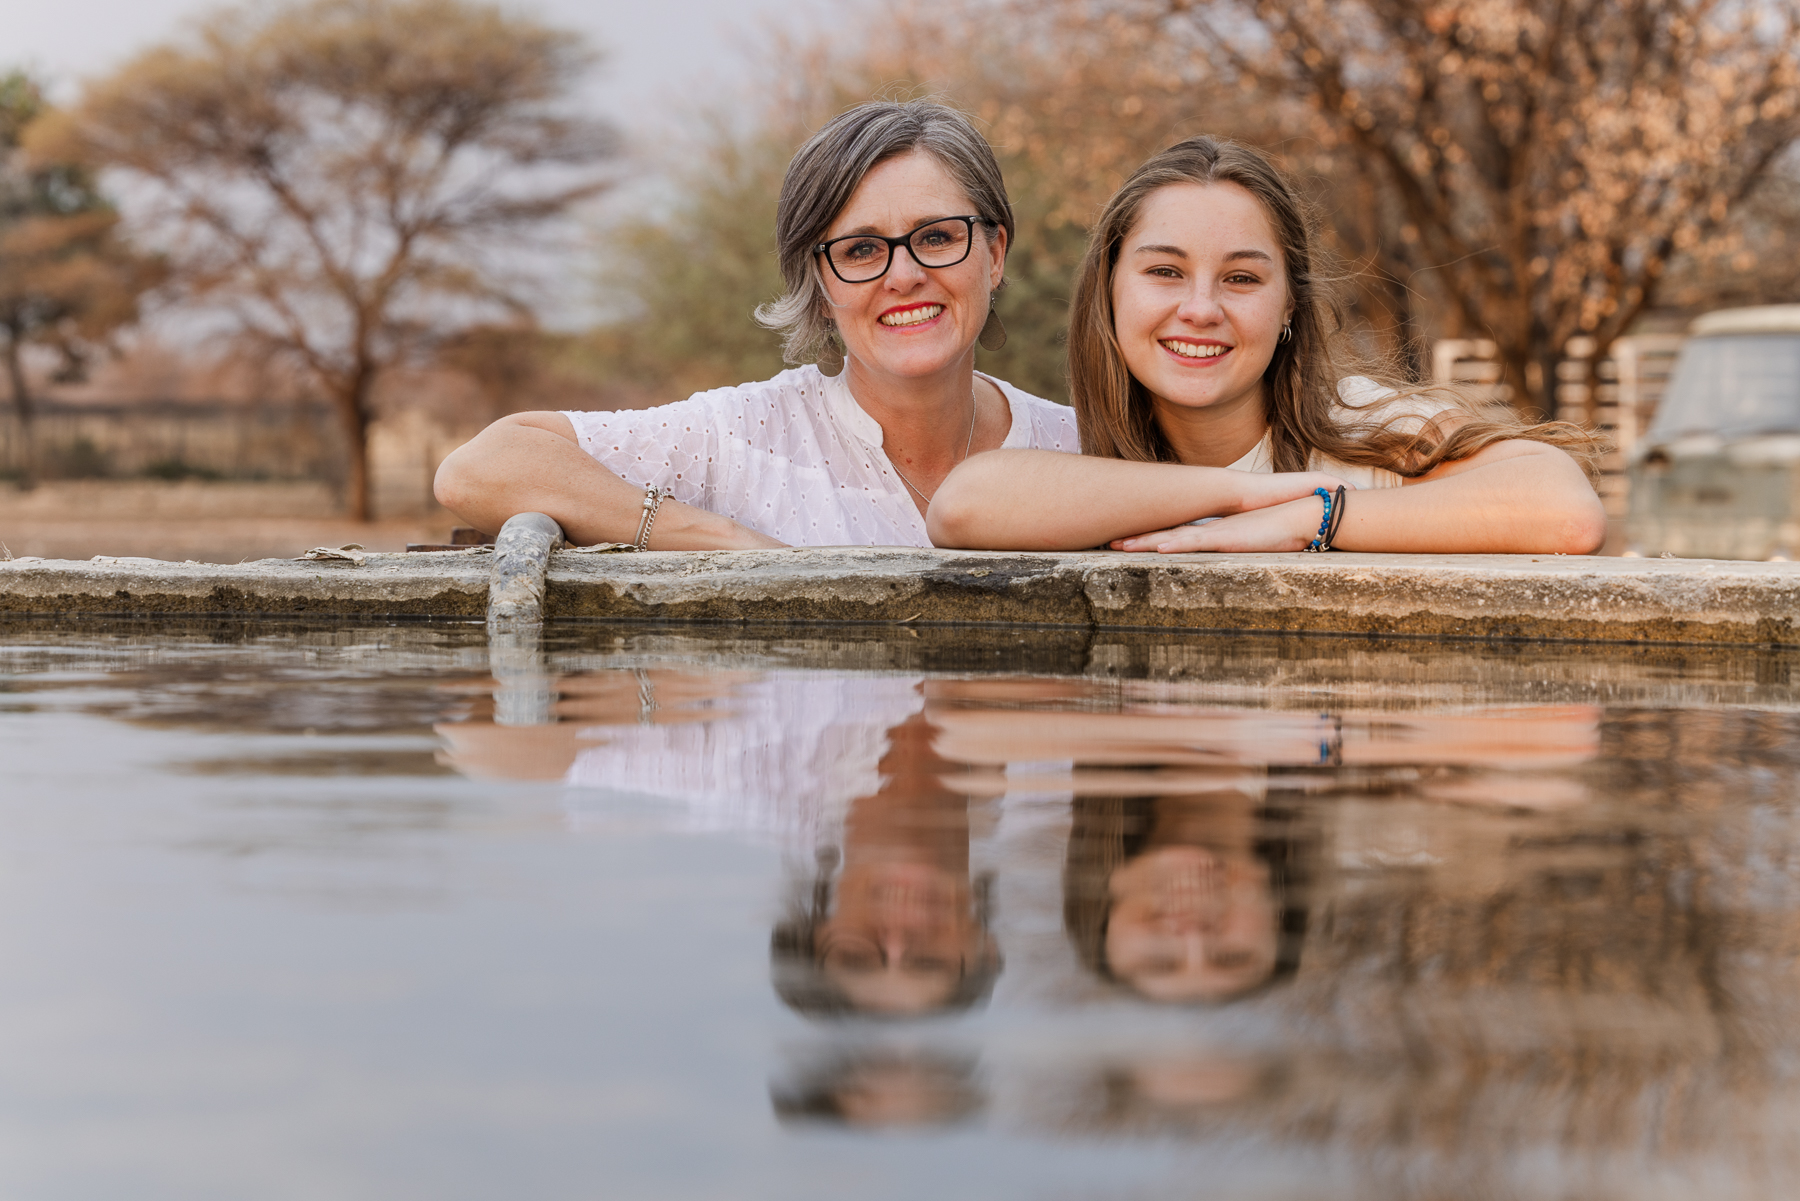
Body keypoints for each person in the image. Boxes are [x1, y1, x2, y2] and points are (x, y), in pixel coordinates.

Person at [434, 100, 1098, 549]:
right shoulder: (739, 438)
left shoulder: (1086, 448)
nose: (903, 276)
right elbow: (480, 468)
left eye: (936, 236)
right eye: (860, 249)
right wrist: (726, 542)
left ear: (995, 252)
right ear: (820, 281)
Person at [926, 136, 1610, 554]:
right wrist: (1240, 496)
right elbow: (963, 506)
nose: (1200, 309)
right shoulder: (1086, 456)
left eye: (1242, 278)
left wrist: (1314, 518)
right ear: (1108, 291)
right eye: (1164, 272)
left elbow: (1566, 510)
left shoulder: (1358, 433)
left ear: (1288, 304)